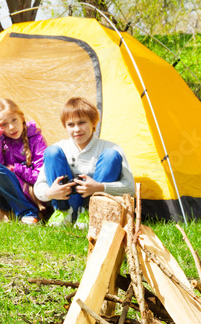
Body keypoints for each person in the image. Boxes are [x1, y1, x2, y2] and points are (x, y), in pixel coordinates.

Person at [34, 96, 135, 229]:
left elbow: (130, 188)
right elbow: (38, 187)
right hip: (68, 200)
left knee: (111, 154)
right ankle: (63, 213)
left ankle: (90, 213)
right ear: (65, 126)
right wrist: (50, 193)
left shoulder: (111, 148)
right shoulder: (61, 147)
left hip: (96, 203)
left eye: (82, 122)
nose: (76, 129)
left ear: (93, 123)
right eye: (71, 124)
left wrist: (99, 187)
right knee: (52, 151)